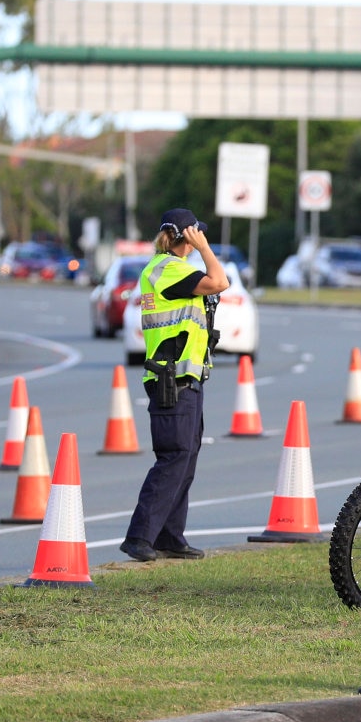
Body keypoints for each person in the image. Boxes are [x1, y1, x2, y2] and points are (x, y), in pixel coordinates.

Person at [119, 208, 229, 563]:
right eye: (198, 234)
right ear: (186, 236)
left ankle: (169, 536)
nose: (201, 240)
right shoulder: (168, 268)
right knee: (173, 457)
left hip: (186, 376)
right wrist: (206, 249)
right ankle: (139, 537)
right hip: (172, 378)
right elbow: (219, 281)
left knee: (186, 457)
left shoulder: (172, 269)